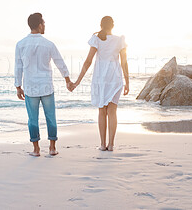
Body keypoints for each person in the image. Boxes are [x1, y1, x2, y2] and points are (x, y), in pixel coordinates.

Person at [14, 13, 73, 157]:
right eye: (44, 23)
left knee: (32, 119)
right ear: (40, 25)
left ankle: (36, 149)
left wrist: (18, 86)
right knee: (50, 117)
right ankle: (52, 148)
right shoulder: (48, 44)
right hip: (46, 86)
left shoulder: (21, 44)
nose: (44, 26)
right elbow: (60, 62)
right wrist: (67, 80)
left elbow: (18, 67)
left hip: (30, 87)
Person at [73, 16, 129, 151]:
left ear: (101, 25)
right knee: (112, 110)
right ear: (113, 26)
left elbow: (88, 61)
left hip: (100, 78)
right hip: (115, 78)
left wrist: (77, 82)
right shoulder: (119, 40)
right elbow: (124, 63)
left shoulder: (97, 39)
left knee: (102, 111)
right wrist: (127, 82)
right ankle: (111, 145)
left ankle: (103, 144)